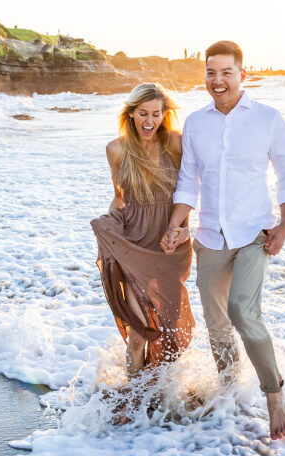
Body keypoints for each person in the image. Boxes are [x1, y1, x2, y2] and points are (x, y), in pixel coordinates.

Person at [161, 41, 285, 440]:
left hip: (255, 233)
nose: (217, 80)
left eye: (225, 72)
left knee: (242, 311)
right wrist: (175, 225)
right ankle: (228, 391)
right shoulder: (196, 123)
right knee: (217, 324)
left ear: (243, 74)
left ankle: (274, 394)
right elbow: (188, 180)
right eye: (210, 72)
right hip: (208, 236)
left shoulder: (268, 119)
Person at [91, 83, 195, 385]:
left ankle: (162, 397)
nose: (150, 121)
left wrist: (183, 229)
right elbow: (120, 197)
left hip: (169, 246)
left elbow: (190, 189)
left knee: (172, 331)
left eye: (156, 114)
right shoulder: (116, 149)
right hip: (133, 244)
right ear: (131, 113)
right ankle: (134, 403)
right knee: (138, 335)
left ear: (165, 115)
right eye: (143, 113)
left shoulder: (176, 144)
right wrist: (110, 225)